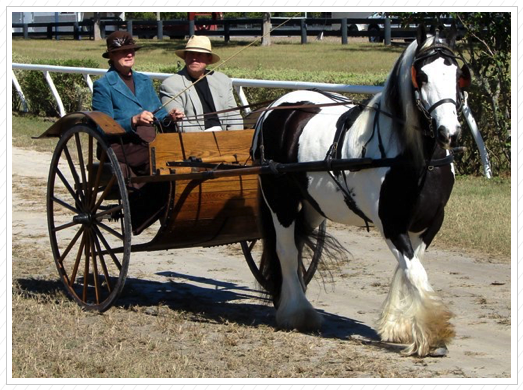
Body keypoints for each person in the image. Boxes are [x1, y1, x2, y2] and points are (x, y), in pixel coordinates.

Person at [92, 31, 176, 235]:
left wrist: (170, 116)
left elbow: (159, 112)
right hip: (119, 145)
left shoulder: (144, 81)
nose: (128, 55)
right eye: (122, 52)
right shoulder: (104, 85)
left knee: (175, 157)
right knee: (160, 159)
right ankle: (142, 214)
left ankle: (163, 208)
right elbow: (103, 124)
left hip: (147, 141)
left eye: (130, 51)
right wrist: (133, 120)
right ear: (111, 56)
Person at [159, 35, 243, 132]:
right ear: (185, 57)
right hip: (194, 140)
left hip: (224, 138)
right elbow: (181, 123)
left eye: (199, 54)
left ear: (209, 59)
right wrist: (206, 140)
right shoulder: (170, 84)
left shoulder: (222, 80)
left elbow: (234, 115)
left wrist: (233, 139)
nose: (194, 58)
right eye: (190, 54)